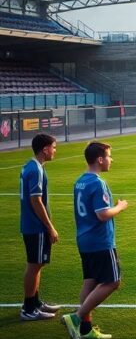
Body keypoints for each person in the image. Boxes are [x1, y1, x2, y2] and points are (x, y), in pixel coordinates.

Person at [61, 142, 129, 339]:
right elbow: (102, 214)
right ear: (100, 159)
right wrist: (120, 206)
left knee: (90, 281)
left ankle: (85, 329)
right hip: (100, 241)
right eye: (109, 156)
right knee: (113, 281)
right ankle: (76, 317)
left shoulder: (80, 181)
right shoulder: (98, 183)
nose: (111, 159)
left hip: (84, 239)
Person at [19, 133, 60, 321]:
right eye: (53, 147)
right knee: (34, 265)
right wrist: (50, 227)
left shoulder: (31, 166)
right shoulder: (35, 169)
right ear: (45, 149)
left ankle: (35, 302)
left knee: (37, 264)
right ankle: (29, 308)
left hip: (32, 225)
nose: (55, 151)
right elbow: (36, 201)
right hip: (35, 226)